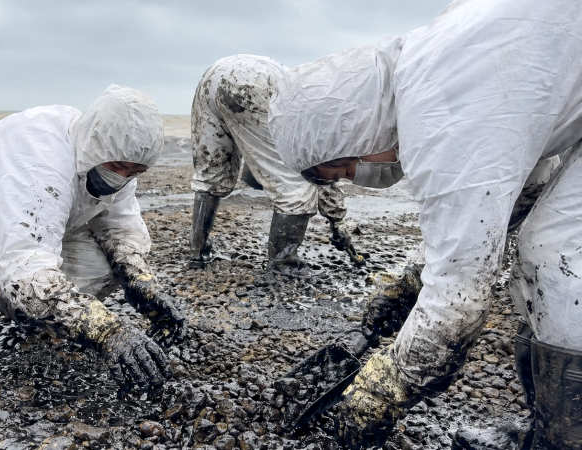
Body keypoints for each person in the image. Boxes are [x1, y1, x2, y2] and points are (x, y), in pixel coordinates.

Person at [269, 0, 582, 448]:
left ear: (352, 132)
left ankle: (565, 439)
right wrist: (411, 282)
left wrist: (382, 391)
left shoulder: (442, 116)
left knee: (555, 258)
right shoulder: (432, 66)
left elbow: (459, 299)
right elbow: (511, 201)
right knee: (544, 246)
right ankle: (545, 428)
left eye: (342, 169)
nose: (356, 178)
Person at [0, 85, 188, 396]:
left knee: (101, 265)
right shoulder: (42, 154)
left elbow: (120, 229)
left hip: (47, 216)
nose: (122, 177)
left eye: (134, 172)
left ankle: (24, 309)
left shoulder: (117, 158)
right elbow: (25, 262)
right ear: (96, 146)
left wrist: (146, 289)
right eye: (117, 168)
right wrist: (107, 330)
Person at [189, 55, 363, 277]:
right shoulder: (329, 120)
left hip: (215, 74)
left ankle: (198, 253)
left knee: (211, 172)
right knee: (296, 188)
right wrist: (337, 221)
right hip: (256, 86)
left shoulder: (315, 97)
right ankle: (283, 264)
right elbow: (327, 174)